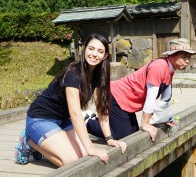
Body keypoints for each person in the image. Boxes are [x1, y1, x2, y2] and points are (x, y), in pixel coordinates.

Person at [14, 34, 127, 167]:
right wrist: (91, 148)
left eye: (100, 51)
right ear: (84, 49)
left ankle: (43, 143)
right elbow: (75, 114)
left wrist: (109, 139)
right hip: (41, 118)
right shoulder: (74, 73)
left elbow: (102, 109)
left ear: (105, 56)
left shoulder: (98, 76)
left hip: (63, 120)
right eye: (91, 49)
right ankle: (30, 141)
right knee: (72, 161)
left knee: (83, 156)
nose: (94, 54)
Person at [86, 37, 196, 142]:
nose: (187, 60)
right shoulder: (159, 67)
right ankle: (87, 122)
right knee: (122, 136)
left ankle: (99, 119)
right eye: (184, 57)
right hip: (114, 96)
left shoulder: (169, 70)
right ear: (172, 55)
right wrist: (145, 124)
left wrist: (166, 118)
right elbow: (151, 97)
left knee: (133, 133)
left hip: (127, 103)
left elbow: (166, 98)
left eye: (189, 57)